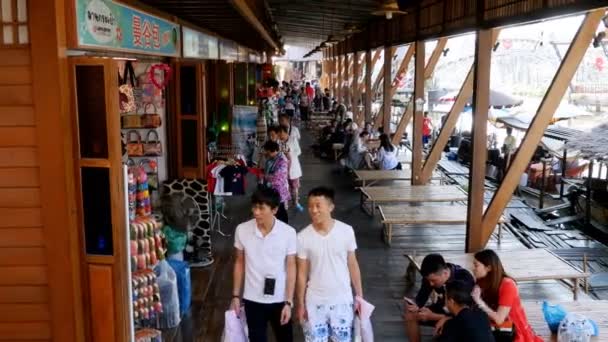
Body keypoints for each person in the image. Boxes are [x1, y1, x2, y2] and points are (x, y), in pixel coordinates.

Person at [296, 187, 364, 342]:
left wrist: (359, 296)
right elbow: (302, 273)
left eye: (318, 205)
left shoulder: (346, 231)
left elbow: (352, 264)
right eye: (310, 206)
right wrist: (300, 303)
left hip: (342, 299)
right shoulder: (302, 237)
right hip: (315, 301)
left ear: (331, 207)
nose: (313, 210)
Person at [231, 188, 297, 342]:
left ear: (274, 210)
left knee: (285, 338)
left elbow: (291, 266)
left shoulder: (288, 233)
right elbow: (239, 262)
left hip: (280, 298)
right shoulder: (242, 230)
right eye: (254, 207)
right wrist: (235, 295)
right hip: (252, 299)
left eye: (261, 208)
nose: (256, 212)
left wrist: (288, 301)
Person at [472, 249, 543, 342]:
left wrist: (479, 302)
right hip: (494, 327)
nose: (473, 268)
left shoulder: (508, 285)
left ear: (488, 268)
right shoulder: (483, 281)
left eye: (476, 265)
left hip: (512, 331)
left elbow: (499, 319)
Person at [403, 253, 475, 342]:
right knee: (411, 314)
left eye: (433, 281)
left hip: (460, 316)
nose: (431, 284)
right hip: (442, 308)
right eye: (428, 280)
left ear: (445, 273)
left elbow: (467, 314)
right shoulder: (431, 277)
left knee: (447, 327)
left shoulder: (464, 279)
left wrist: (434, 317)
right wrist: (416, 305)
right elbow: (422, 296)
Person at [262, 140, 290, 223]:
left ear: (273, 150)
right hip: (271, 188)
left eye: (268, 152)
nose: (267, 154)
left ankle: (284, 226)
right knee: (276, 209)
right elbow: (268, 170)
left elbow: (279, 176)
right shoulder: (272, 158)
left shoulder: (282, 160)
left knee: (280, 209)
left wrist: (265, 176)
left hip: (279, 189)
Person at [278, 125, 304, 212]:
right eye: (279, 133)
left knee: (295, 187)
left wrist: (289, 152)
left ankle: (296, 202)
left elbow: (298, 151)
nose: (281, 135)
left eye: (282, 133)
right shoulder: (278, 142)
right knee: (284, 187)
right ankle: (285, 204)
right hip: (282, 169)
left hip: (293, 168)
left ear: (286, 133)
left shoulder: (292, 140)